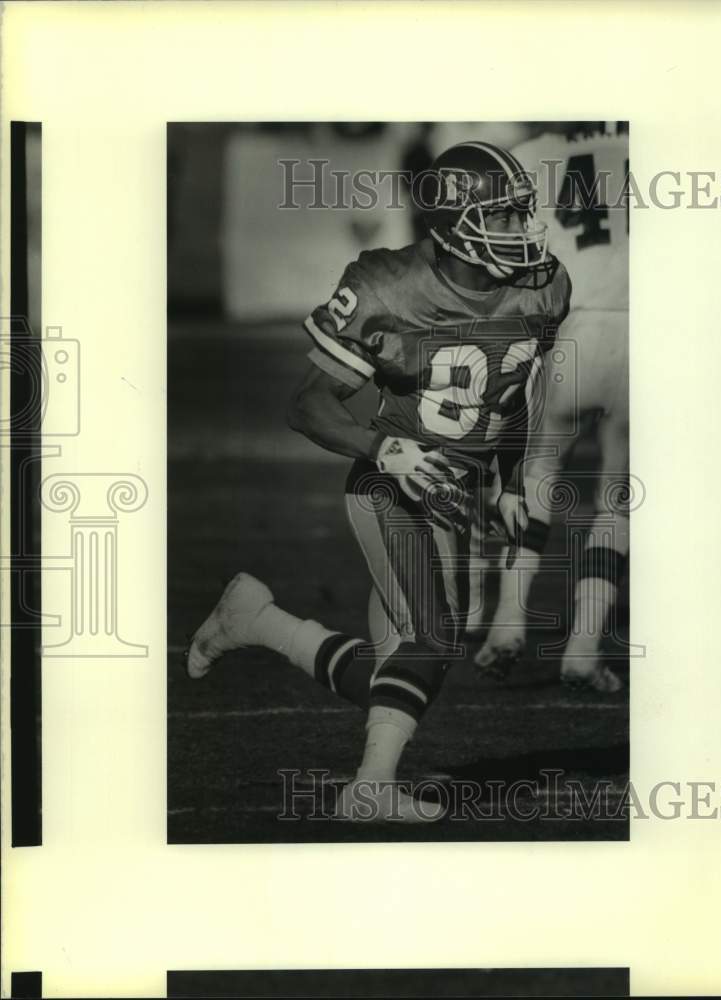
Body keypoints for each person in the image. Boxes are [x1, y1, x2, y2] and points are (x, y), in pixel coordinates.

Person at [186, 141, 571, 822]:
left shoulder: (544, 286)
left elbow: (514, 395)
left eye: (521, 214)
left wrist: (510, 480)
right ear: (456, 221)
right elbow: (307, 404)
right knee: (435, 637)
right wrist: (385, 449)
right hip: (389, 482)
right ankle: (369, 790)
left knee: (402, 668)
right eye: (504, 216)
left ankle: (261, 623)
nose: (523, 230)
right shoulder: (388, 285)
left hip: (460, 490)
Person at [473, 123, 629, 693]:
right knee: (618, 497)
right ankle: (583, 648)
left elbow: (498, 265)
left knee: (536, 477)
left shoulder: (528, 157)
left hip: (572, 329)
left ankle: (507, 622)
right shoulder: (663, 149)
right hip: (645, 331)